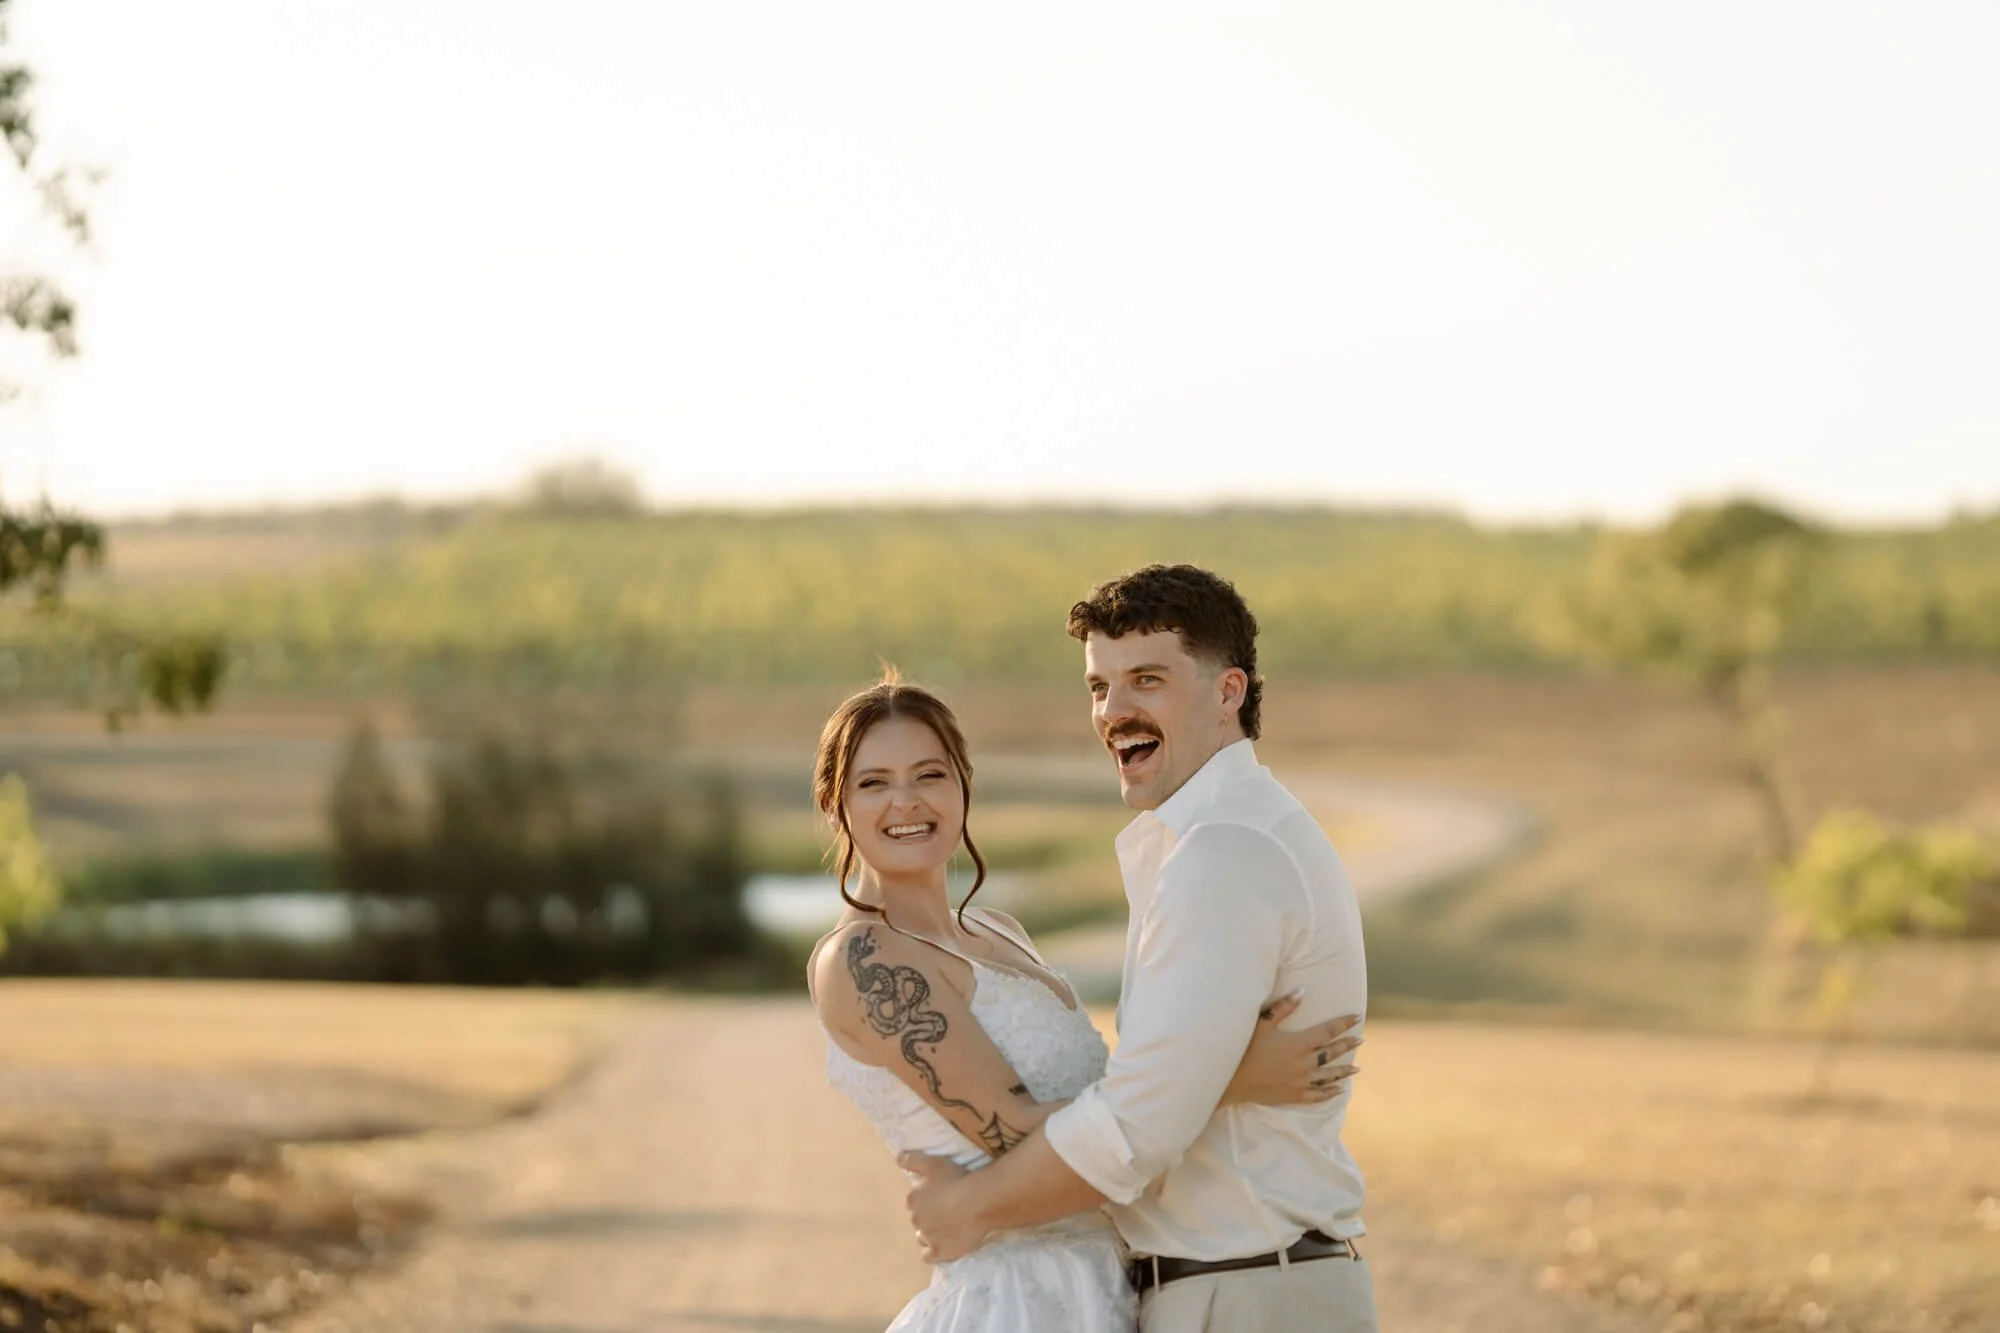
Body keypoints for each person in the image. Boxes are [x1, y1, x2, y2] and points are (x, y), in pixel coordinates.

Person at [901, 564, 1377, 1333]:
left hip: (1246, 1298)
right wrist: (1224, 1080)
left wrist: (969, 1206)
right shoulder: (1230, 833)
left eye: (1146, 680)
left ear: (1229, 692)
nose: (1114, 711)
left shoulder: (1224, 851)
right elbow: (1161, 1094)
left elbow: (1138, 1128)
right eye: (1099, 686)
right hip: (1244, 1288)